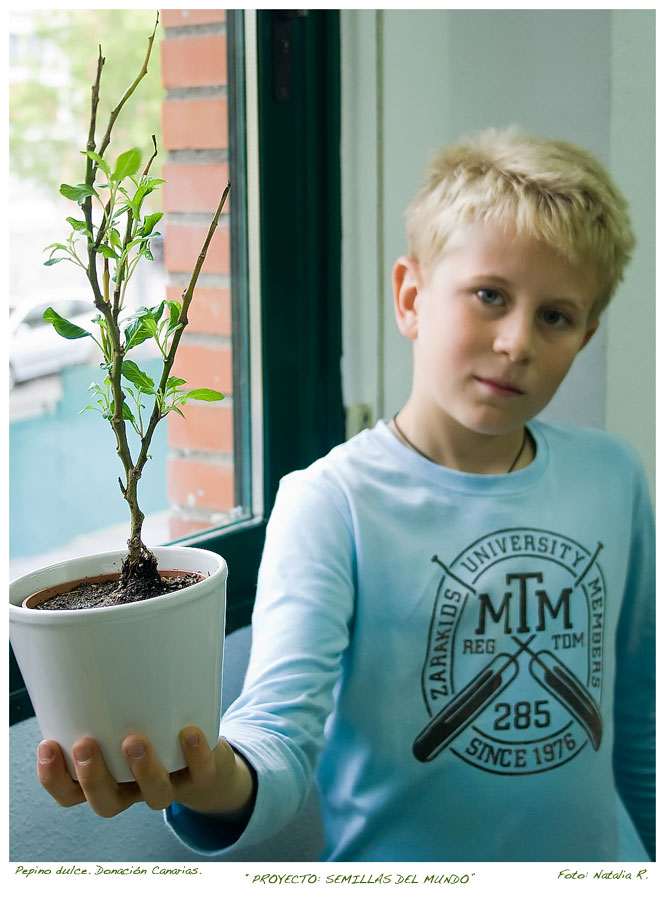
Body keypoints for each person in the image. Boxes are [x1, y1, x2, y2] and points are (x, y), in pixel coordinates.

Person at [36, 128, 655, 863]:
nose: (516, 341)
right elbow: (276, 738)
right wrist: (201, 778)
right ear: (411, 297)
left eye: (554, 316)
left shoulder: (613, 477)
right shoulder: (330, 503)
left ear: (583, 337)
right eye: (489, 295)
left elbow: (640, 722)